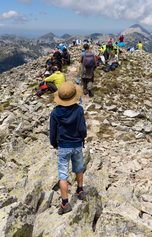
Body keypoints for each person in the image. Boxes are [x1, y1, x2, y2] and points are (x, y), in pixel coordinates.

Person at [49, 81, 87, 215]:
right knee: (79, 168)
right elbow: (82, 129)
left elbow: (52, 132)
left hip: (63, 146)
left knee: (63, 176)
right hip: (77, 145)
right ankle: (80, 190)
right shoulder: (79, 109)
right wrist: (83, 137)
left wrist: (54, 144)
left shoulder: (54, 113)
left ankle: (65, 203)